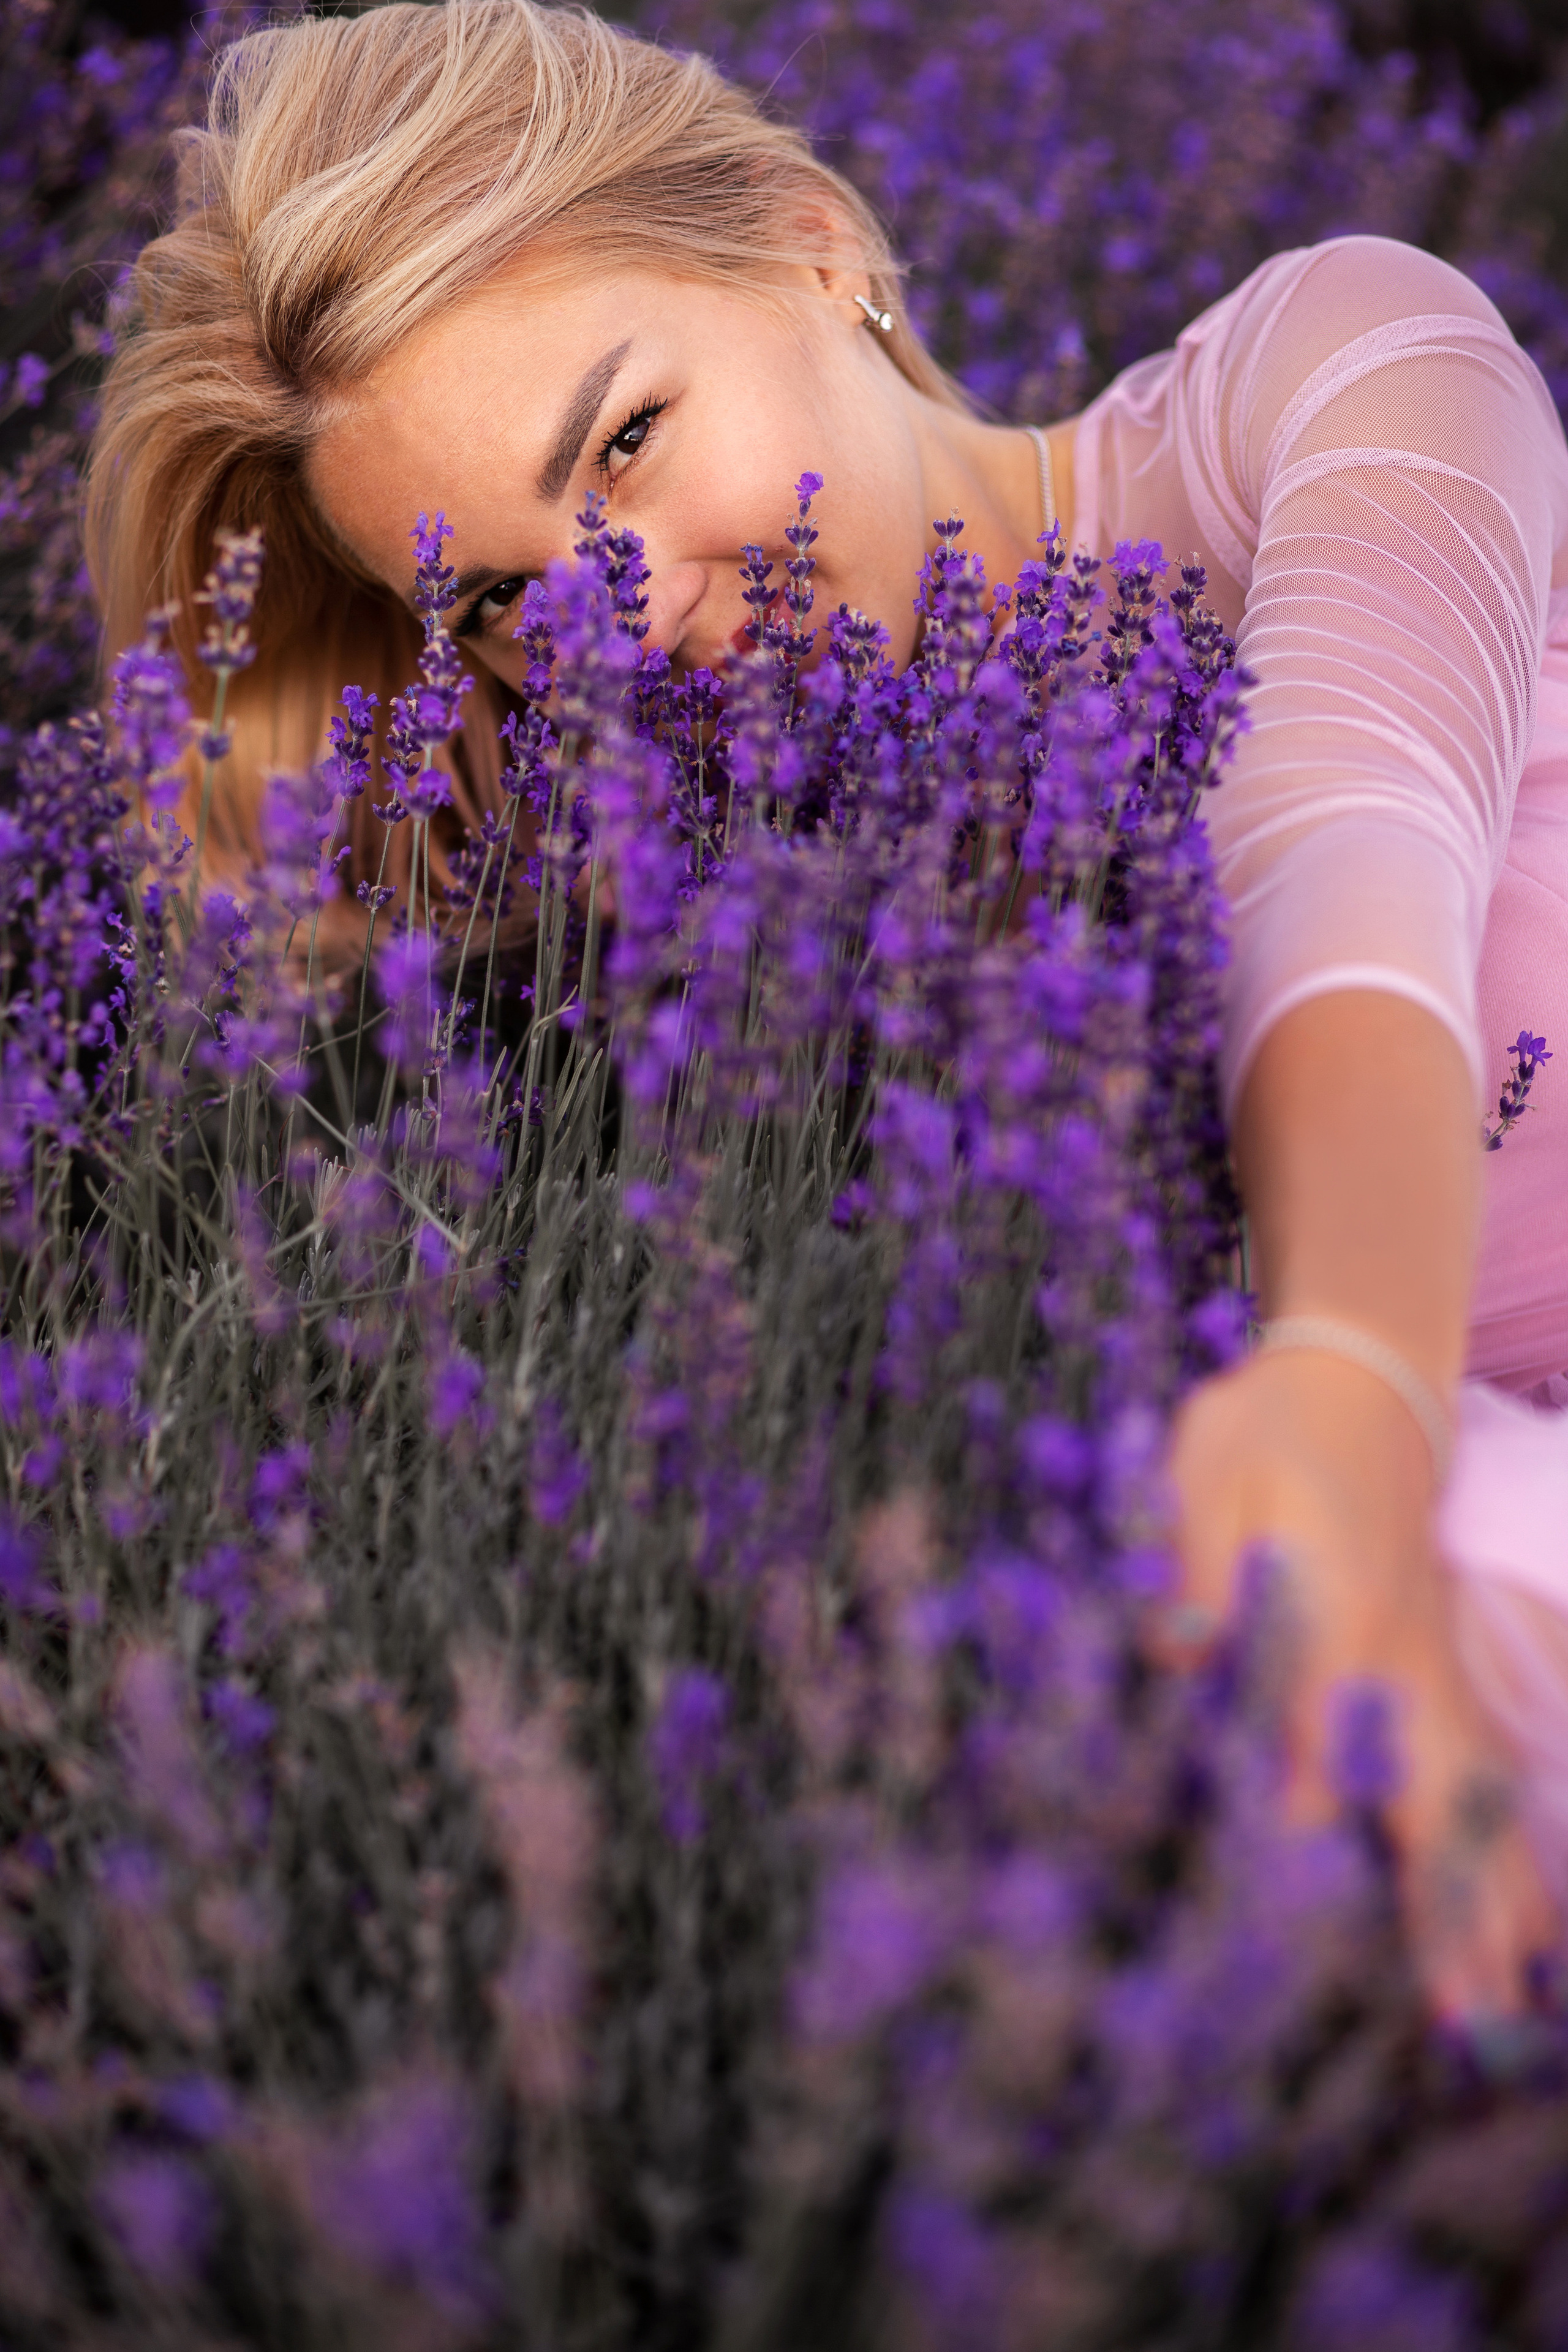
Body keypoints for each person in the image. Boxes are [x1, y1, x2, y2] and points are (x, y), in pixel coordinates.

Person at [86, 0, 1568, 2016]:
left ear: (814, 247)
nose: (617, 618)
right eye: (507, 606)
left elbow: (1346, 830)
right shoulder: (765, 938)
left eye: (623, 440)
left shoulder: (1332, 366)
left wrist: (1352, 1389)